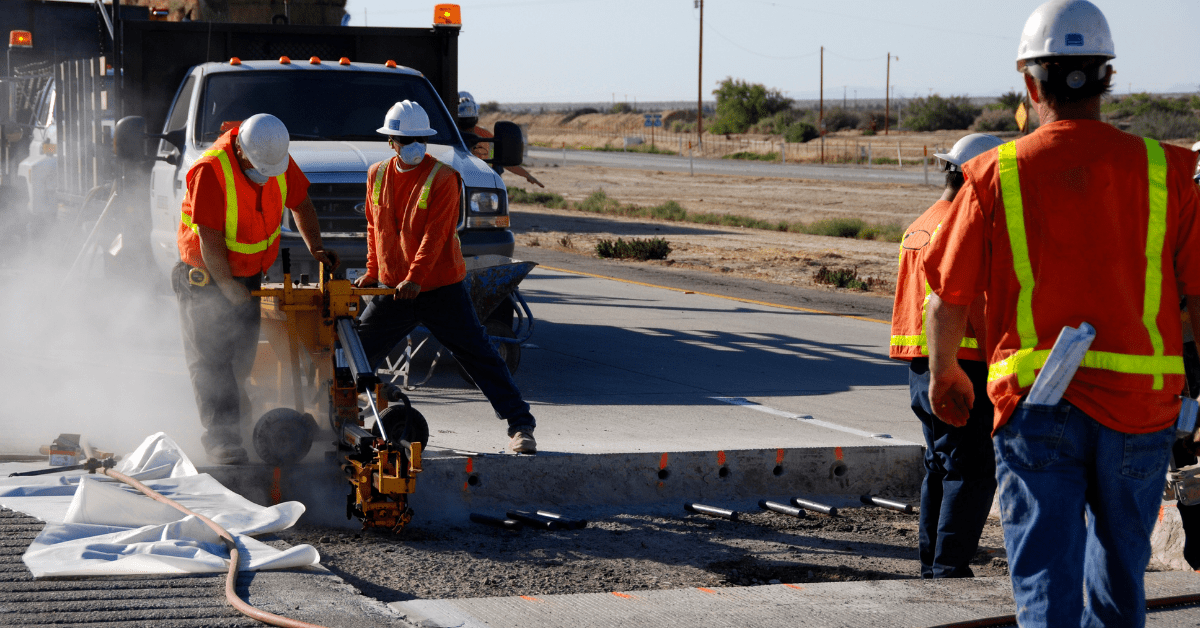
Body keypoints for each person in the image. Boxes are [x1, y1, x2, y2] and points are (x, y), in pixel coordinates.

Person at [923, 1, 1200, 625]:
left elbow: (947, 296)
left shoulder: (994, 173)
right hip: (1142, 407)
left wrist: (944, 373)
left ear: (1030, 82)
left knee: (1046, 582)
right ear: (1106, 78)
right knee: (1122, 579)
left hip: (1038, 406)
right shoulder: (1168, 171)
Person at [353, 100, 538, 454]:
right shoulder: (376, 173)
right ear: (391, 141)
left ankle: (521, 426)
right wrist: (374, 271)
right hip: (394, 289)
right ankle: (346, 411)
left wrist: (415, 278)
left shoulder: (443, 177)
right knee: (353, 355)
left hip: (439, 288)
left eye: (419, 138)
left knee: (478, 354)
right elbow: (375, 227)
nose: (413, 146)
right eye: (405, 140)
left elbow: (435, 236)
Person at [174, 113, 337, 465]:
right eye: (260, 167)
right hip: (204, 276)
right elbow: (209, 237)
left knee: (240, 357)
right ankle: (221, 438)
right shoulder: (211, 171)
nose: (267, 175)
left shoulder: (274, 157)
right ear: (242, 151)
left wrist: (316, 247)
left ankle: (239, 424)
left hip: (246, 277)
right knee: (212, 359)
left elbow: (301, 203)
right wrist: (226, 285)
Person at [890, 133, 1004, 579]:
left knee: (940, 466)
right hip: (963, 366)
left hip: (925, 366)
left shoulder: (921, 224)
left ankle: (932, 566)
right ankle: (949, 571)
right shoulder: (962, 226)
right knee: (972, 471)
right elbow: (968, 303)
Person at [457, 91, 543, 188]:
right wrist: (527, 175)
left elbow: (503, 159)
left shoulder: (484, 136)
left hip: (479, 188)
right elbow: (505, 160)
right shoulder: (485, 136)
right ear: (476, 117)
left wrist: (527, 175)